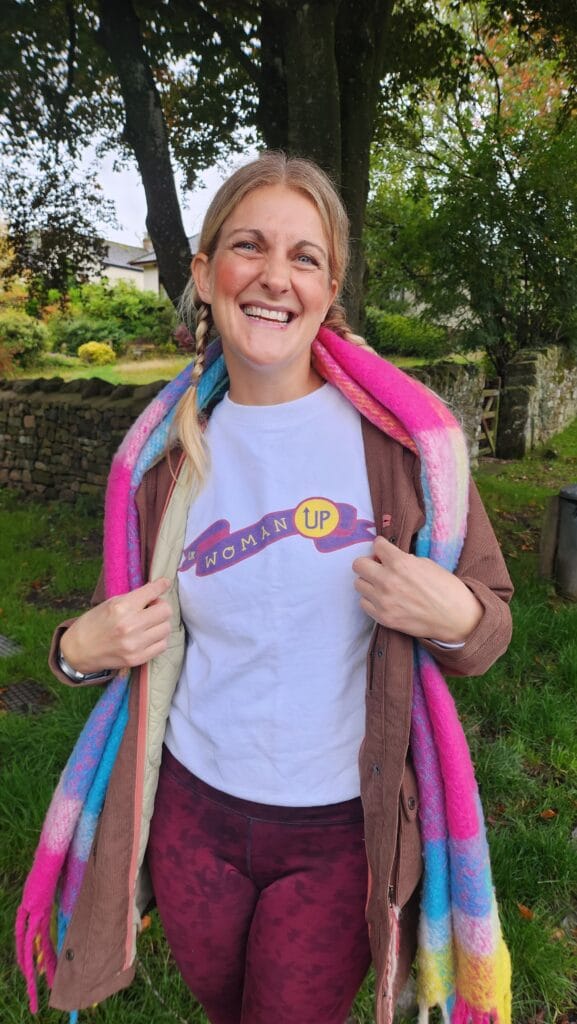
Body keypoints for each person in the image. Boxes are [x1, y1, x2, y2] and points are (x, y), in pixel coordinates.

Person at [30, 152, 513, 1024]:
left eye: (305, 257)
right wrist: (73, 651)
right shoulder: (156, 463)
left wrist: (454, 614)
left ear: (330, 289)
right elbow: (108, 641)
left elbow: (490, 625)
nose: (273, 277)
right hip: (191, 817)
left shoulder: (406, 450)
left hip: (336, 833)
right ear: (206, 274)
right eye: (249, 246)